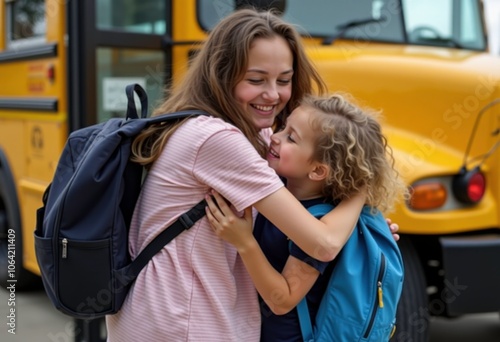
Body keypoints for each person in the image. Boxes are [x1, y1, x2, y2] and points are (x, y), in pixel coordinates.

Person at [106, 8, 398, 342]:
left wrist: (359, 230)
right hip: (184, 323)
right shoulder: (217, 139)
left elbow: (310, 217)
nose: (273, 95)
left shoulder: (253, 136)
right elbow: (323, 243)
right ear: (222, 75)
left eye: (284, 81)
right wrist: (361, 192)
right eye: (256, 80)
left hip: (187, 316)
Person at [205, 93, 409, 341]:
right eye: (283, 128)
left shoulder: (317, 222)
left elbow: (282, 300)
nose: (275, 137)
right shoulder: (281, 191)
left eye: (291, 137)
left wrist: (244, 242)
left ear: (318, 170)